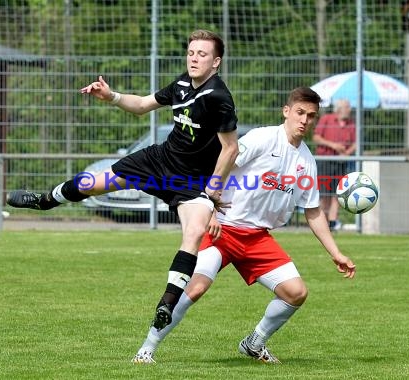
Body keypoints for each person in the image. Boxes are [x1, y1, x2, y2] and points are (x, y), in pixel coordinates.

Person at [6, 29, 239, 331]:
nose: (194, 58)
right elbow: (142, 105)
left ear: (216, 62)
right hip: (158, 161)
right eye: (191, 52)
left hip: (190, 180)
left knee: (194, 233)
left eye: (202, 54)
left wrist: (212, 191)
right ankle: (45, 201)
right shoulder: (182, 83)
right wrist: (111, 96)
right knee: (92, 184)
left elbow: (230, 148)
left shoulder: (219, 97)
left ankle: (166, 304)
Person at [132, 87, 356, 364]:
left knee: (296, 293)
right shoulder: (263, 138)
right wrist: (208, 208)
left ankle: (254, 343)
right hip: (222, 227)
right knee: (196, 288)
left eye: (311, 116)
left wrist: (336, 253)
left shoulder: (306, 161)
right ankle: (146, 349)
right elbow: (220, 163)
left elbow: (313, 211)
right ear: (286, 111)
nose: (304, 121)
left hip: (257, 238)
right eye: (300, 113)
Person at [312, 99, 356, 231]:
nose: (349, 109)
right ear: (339, 109)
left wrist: (347, 153)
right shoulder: (327, 119)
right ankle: (322, 221)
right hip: (325, 160)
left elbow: (355, 142)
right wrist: (334, 145)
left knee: (337, 194)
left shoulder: (351, 124)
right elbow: (316, 138)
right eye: (347, 106)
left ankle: (332, 222)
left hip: (341, 162)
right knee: (324, 193)